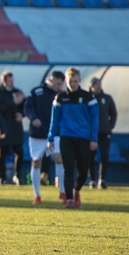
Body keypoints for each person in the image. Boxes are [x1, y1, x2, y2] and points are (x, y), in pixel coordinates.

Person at [48, 67, 98, 209]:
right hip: (66, 137)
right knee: (68, 169)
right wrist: (50, 138)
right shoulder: (60, 98)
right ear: (66, 81)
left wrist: (93, 138)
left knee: (83, 169)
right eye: (70, 81)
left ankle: (76, 190)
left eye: (75, 81)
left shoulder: (88, 97)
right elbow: (55, 120)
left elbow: (94, 119)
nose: (73, 84)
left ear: (80, 80)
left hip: (83, 137)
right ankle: (69, 199)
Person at [24, 71, 65, 205]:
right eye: (58, 83)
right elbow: (27, 108)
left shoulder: (62, 95)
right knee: (36, 162)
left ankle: (63, 192)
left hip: (55, 133)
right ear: (51, 80)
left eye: (61, 84)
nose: (60, 86)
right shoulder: (36, 92)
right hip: (38, 134)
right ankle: (37, 195)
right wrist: (34, 118)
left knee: (59, 159)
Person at [0, 71, 26, 186]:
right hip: (4, 128)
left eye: (13, 81)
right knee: (2, 154)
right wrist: (13, 102)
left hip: (16, 128)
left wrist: (21, 114)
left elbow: (26, 107)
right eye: (10, 81)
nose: (12, 83)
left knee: (19, 152)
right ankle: (1, 178)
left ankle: (17, 176)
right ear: (4, 81)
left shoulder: (17, 92)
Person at [89, 77, 117, 189]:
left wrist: (110, 126)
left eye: (99, 83)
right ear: (92, 86)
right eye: (96, 84)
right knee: (90, 156)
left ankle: (102, 179)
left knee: (104, 156)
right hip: (91, 133)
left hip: (104, 132)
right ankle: (92, 180)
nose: (98, 86)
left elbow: (113, 113)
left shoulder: (107, 98)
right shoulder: (88, 98)